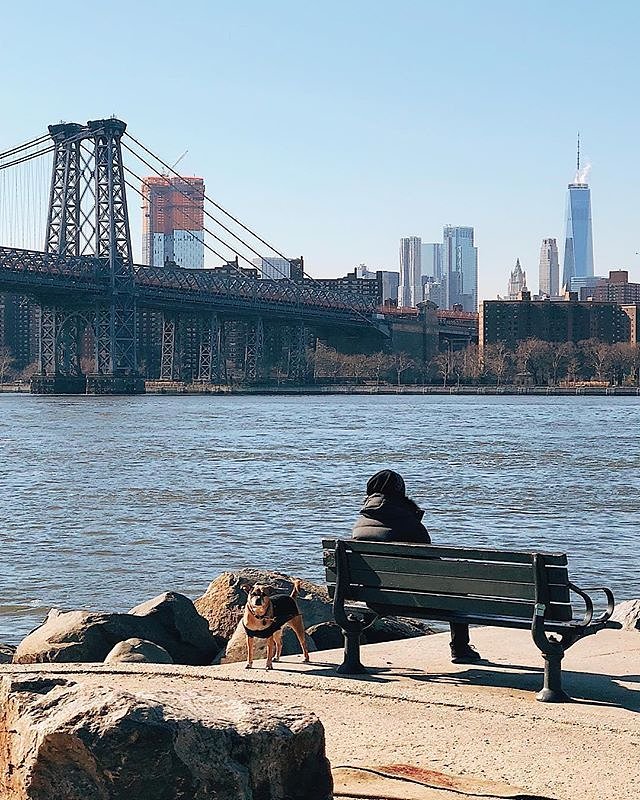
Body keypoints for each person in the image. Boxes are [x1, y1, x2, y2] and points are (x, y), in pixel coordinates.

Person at [352, 469, 482, 664]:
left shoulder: (360, 525)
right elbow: (432, 565)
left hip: (374, 599)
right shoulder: (410, 524)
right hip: (412, 601)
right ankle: (460, 648)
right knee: (457, 591)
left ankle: (351, 658)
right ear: (401, 492)